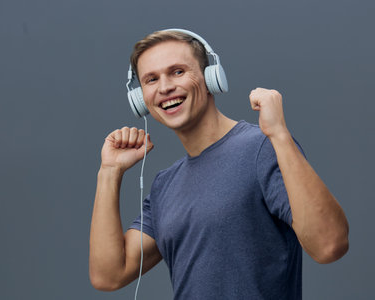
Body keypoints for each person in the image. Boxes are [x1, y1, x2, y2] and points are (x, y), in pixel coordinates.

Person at [89, 29, 349, 299]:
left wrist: (280, 136)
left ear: (211, 77)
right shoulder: (164, 185)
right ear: (141, 99)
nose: (165, 87)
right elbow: (108, 275)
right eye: (151, 79)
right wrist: (109, 172)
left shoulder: (263, 148)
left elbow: (330, 244)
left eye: (177, 72)